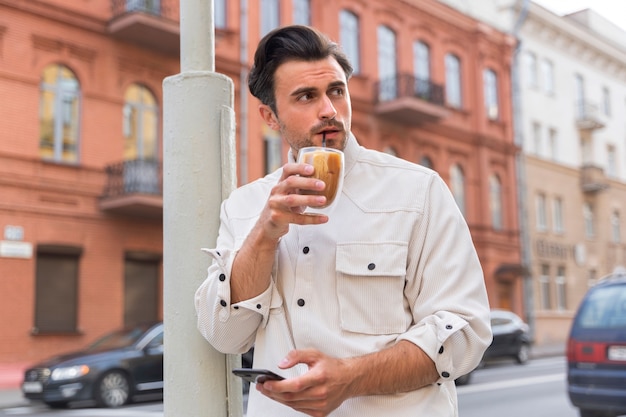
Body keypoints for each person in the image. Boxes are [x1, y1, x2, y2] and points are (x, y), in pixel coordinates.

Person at [195, 25, 492, 417]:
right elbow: (225, 335)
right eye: (306, 96)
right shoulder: (245, 206)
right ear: (270, 116)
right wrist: (265, 234)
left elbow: (464, 331)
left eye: (336, 91)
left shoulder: (418, 191)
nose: (329, 110)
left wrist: (352, 377)